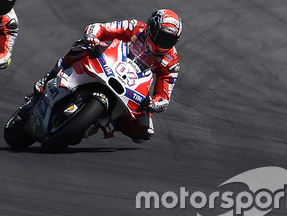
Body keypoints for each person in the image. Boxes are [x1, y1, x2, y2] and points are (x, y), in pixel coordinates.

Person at [27, 9, 182, 143]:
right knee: (81, 46)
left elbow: (164, 94)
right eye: (162, 37)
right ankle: (50, 77)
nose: (165, 43)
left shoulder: (172, 60)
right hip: (111, 61)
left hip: (133, 82)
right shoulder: (135, 27)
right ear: (152, 28)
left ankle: (109, 121)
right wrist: (92, 36)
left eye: (170, 40)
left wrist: (155, 104)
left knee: (144, 131)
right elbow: (101, 28)